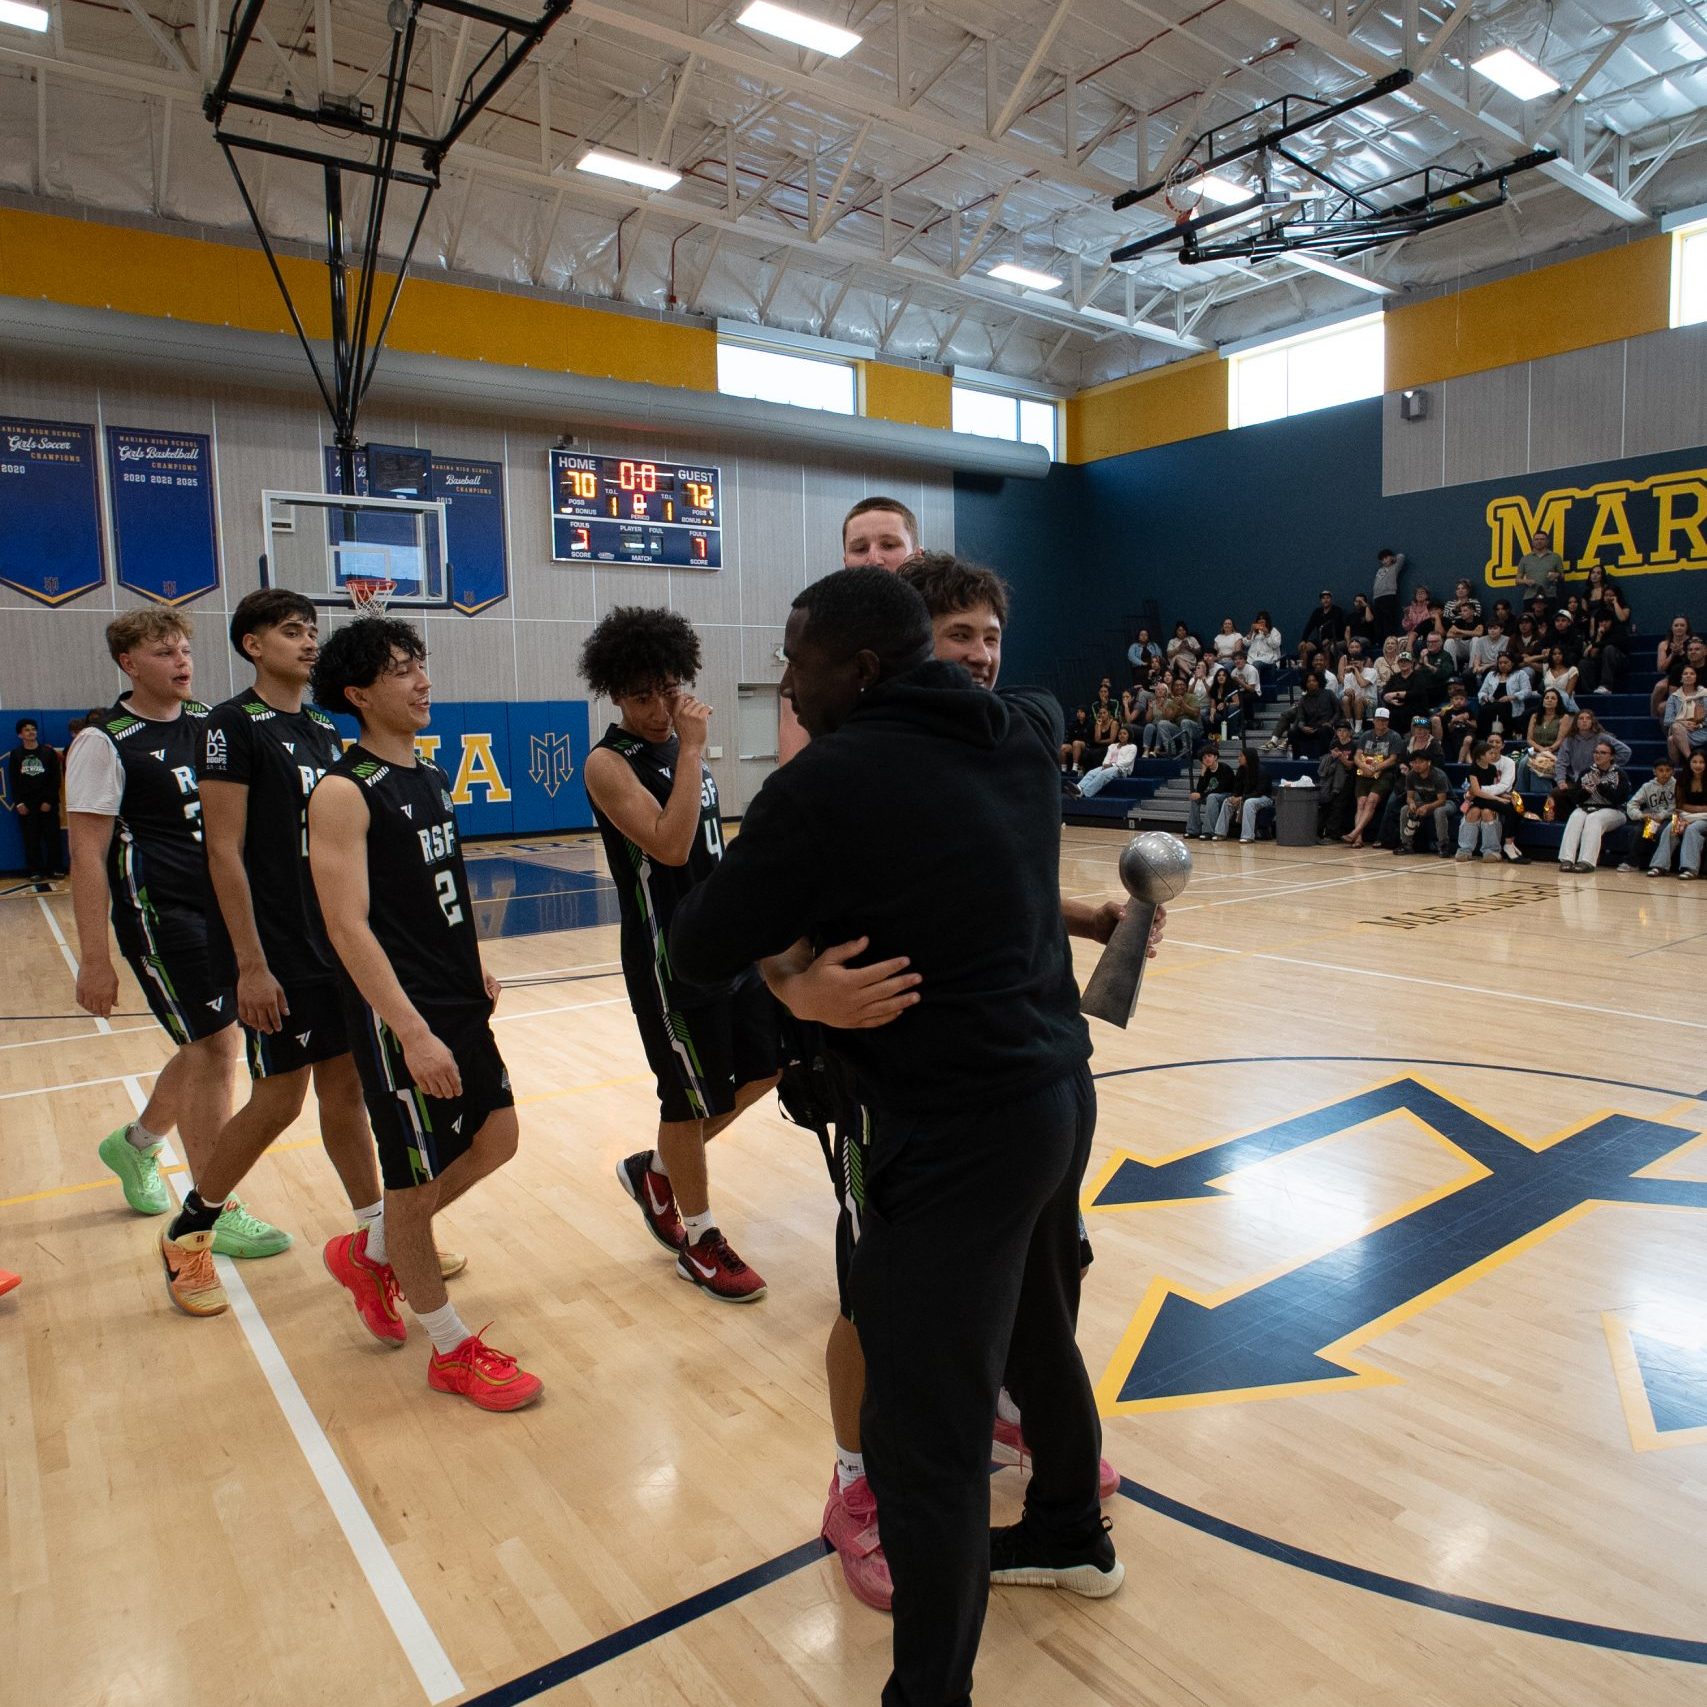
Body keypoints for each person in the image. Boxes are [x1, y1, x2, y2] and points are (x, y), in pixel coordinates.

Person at [671, 567, 1122, 1707]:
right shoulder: (1024, 735)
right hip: (1056, 1099)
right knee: (1038, 1333)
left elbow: (701, 946)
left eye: (800, 661)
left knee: (926, 1439)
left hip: (949, 1134)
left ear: (863, 668)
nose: (788, 682)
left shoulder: (824, 784)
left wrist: (795, 985)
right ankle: (1069, 1527)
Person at [776, 550, 1138, 1614]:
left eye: (989, 634)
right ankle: (857, 1481)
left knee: (1039, 1283)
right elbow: (757, 928)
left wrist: (1083, 916)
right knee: (871, 1296)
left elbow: (991, 878)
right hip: (888, 1095)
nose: (979, 655)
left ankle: (1019, 1443)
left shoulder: (998, 738)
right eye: (956, 636)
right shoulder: (837, 765)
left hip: (1014, 1083)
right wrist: (800, 993)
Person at [158, 590, 419, 1323]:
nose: (309, 642)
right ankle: (189, 1232)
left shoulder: (321, 726)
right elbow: (223, 849)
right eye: (291, 631)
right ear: (252, 644)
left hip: (329, 939)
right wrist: (250, 962)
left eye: (312, 630)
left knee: (345, 1090)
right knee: (279, 1099)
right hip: (274, 948)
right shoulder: (230, 724)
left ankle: (378, 1236)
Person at [306, 617, 540, 1410]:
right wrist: (410, 1030)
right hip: (398, 1015)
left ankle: (370, 1253)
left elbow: (444, 883)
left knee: (497, 1136)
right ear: (358, 693)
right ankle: (448, 1347)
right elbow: (346, 925)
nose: (422, 680)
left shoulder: (431, 775)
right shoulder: (342, 791)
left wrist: (472, 960)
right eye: (402, 669)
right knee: (411, 1183)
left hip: (455, 996)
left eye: (420, 664)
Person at [67, 610, 285, 1256]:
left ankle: (136, 1144)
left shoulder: (211, 726)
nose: (182, 661)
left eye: (185, 649)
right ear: (129, 663)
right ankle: (211, 1208)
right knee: (216, 1045)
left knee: (203, 1044)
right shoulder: (104, 742)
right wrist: (94, 959)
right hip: (161, 916)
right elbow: (86, 856)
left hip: (222, 908)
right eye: (165, 652)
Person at [580, 607, 780, 1303]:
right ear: (615, 695)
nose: (660, 709)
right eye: (642, 696)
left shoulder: (680, 748)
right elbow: (668, 845)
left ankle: (657, 1169)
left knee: (766, 1067)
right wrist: (693, 750)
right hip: (668, 958)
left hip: (726, 943)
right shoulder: (608, 763)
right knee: (689, 1099)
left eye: (668, 690)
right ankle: (699, 1238)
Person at [1556, 741, 1631, 873]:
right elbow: (1576, 799)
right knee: (1575, 816)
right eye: (1596, 752)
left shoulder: (1619, 774)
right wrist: (1586, 792)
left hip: (1614, 810)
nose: (1598, 755)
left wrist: (1600, 786)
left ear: (1611, 756)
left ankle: (1587, 861)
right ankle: (1567, 859)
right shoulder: (1586, 772)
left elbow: (1619, 799)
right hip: (1587, 807)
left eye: (1603, 753)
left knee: (1594, 819)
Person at [7, 717, 62, 882]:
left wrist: (49, 800)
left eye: (33, 729)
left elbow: (55, 778)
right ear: (20, 735)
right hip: (27, 804)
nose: (31, 732)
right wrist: (19, 802)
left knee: (52, 837)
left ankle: (55, 868)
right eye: (27, 730)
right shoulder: (16, 755)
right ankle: (35, 870)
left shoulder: (48, 753)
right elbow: (14, 780)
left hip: (47, 803)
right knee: (31, 839)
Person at [1342, 706, 1404, 847]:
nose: (1382, 723)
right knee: (1361, 802)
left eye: (1384, 720)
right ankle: (1358, 839)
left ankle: (1354, 833)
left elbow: (1393, 759)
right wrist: (1363, 766)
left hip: (1384, 773)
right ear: (1374, 721)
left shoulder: (1394, 736)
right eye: (1379, 720)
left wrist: (1375, 768)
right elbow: (1357, 756)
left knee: (1371, 800)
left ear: (1388, 722)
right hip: (1364, 772)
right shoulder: (1366, 735)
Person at [1456, 735, 1517, 862]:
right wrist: (1497, 798)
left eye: (1497, 742)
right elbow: (1472, 790)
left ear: (1503, 745)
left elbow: (1496, 786)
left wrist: (1501, 796)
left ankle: (1492, 851)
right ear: (1481, 755)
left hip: (1488, 799)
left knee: (1487, 812)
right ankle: (1464, 850)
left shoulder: (1496, 767)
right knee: (1473, 812)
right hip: (1477, 799)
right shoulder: (1473, 768)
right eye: (1490, 751)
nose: (1493, 748)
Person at [1652, 750, 1707, 878]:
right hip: (1684, 816)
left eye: (1701, 762)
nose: (1698, 765)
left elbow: (1686, 806)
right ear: (1689, 763)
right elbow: (1680, 805)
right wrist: (1701, 809)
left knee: (1692, 829)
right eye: (1694, 762)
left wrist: (1693, 809)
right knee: (1670, 829)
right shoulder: (1682, 779)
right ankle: (1659, 866)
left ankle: (1690, 869)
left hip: (1704, 819)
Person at [1621, 758, 1676, 875]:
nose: (1665, 773)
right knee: (1639, 832)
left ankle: (1659, 865)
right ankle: (1632, 863)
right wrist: (1641, 815)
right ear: (1654, 771)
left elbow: (1676, 806)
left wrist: (1661, 816)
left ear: (1673, 772)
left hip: (1672, 818)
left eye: (1668, 770)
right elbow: (1632, 804)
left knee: (1662, 832)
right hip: (1653, 819)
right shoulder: (1647, 786)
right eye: (1661, 770)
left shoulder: (1677, 785)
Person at [1395, 749, 1453, 856]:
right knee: (1405, 809)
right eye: (1414, 762)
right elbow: (1409, 797)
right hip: (1426, 802)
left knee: (1439, 811)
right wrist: (1411, 803)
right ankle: (1406, 844)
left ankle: (1443, 845)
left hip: (1448, 802)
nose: (1417, 765)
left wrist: (1426, 807)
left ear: (1428, 762)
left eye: (1420, 762)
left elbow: (1442, 801)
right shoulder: (1411, 775)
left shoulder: (1439, 776)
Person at [1266, 671, 1336, 758]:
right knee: (1292, 732)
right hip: (1310, 728)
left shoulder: (1329, 693)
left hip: (1325, 727)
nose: (1311, 683)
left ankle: (1324, 757)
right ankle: (1297, 758)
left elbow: (1338, 711)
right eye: (1308, 681)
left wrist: (1330, 723)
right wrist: (1302, 727)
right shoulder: (1303, 699)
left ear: (1319, 682)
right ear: (1305, 684)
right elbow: (1300, 717)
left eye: (1314, 680)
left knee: (1324, 730)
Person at [1516, 689, 1569, 793]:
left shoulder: (1564, 717)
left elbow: (1560, 740)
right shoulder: (1535, 716)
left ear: (1558, 702)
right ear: (1543, 701)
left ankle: (1541, 795)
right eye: (1547, 698)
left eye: (1553, 698)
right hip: (1534, 749)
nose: (1549, 700)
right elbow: (1529, 739)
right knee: (1523, 763)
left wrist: (1548, 750)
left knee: (1538, 766)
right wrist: (1541, 749)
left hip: (1554, 751)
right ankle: (1521, 794)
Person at [1316, 720, 1357, 840]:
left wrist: (1340, 757)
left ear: (1350, 732)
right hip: (1333, 778)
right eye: (1339, 731)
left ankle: (1332, 832)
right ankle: (1322, 830)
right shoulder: (1334, 743)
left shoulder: (1354, 745)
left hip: (1348, 778)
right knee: (1327, 803)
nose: (1342, 733)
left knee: (1338, 805)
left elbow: (1351, 765)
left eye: (1344, 731)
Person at [1185, 743, 1235, 838]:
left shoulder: (1225, 768)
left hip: (1227, 794)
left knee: (1211, 797)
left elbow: (1220, 788)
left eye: (1209, 756)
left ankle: (1209, 831)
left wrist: (1202, 795)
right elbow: (1200, 790)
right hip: (1213, 795)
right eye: (1204, 758)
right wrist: (1202, 774)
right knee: (1195, 798)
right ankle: (1193, 830)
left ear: (1215, 757)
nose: (1207, 759)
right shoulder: (1207, 771)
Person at [1223, 748, 1273, 843]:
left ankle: (1247, 836)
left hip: (1264, 798)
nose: (1238, 758)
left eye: (1241, 756)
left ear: (1248, 757)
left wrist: (1242, 798)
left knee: (1249, 803)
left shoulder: (1262, 771)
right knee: (1227, 801)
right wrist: (1234, 796)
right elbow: (1237, 787)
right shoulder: (1241, 770)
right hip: (1247, 796)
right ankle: (1220, 833)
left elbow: (1259, 792)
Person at [1073, 728, 1137, 799]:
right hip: (1109, 766)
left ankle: (1084, 793)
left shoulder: (1132, 747)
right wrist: (1105, 764)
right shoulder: (1112, 746)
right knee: (1092, 772)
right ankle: (1078, 788)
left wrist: (1112, 765)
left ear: (1129, 735)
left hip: (1121, 769)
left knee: (1102, 774)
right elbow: (1107, 758)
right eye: (1120, 734)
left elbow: (1127, 761)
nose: (1122, 735)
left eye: (1124, 734)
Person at [1663, 664, 1707, 766]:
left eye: (1692, 674)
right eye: (1685, 674)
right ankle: (1689, 761)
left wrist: (1698, 725)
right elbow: (1667, 720)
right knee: (1673, 733)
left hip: (1702, 731)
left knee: (1672, 738)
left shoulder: (1704, 695)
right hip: (1682, 732)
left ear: (1696, 677)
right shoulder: (1674, 697)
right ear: (1681, 678)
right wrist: (1683, 723)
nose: (1688, 676)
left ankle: (1688, 765)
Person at [1297, 590, 1346, 677]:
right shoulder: (1317, 612)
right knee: (1303, 647)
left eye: (1328, 598)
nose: (1325, 600)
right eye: (1323, 598)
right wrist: (1303, 640)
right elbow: (1309, 626)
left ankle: (1326, 674)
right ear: (1321, 601)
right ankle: (1303, 672)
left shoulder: (1337, 611)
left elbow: (1339, 628)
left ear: (1331, 599)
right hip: (1320, 640)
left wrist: (1329, 638)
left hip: (1334, 639)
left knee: (1326, 647)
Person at [1442, 579, 1484, 668]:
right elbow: (1446, 618)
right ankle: (1452, 670)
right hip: (1457, 636)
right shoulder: (1450, 603)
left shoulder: (1474, 602)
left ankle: (1471, 669)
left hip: (1468, 636)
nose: (1460, 590)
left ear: (1468, 590)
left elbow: (1475, 616)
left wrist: (1459, 631)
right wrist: (1455, 608)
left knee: (1476, 639)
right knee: (1448, 641)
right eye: (1458, 588)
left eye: (1463, 588)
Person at [1515, 530, 1564, 601]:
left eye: (1542, 539)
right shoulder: (1525, 559)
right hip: (1530, 596)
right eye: (1536, 539)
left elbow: (1562, 576)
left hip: (1549, 595)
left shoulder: (1555, 557)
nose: (1539, 541)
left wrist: (1557, 575)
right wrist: (1526, 581)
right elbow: (1517, 580)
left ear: (1547, 541)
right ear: (1532, 542)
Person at [1372, 547, 1404, 640]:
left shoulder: (1394, 567)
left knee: (1388, 619)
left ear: (1391, 557)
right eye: (1382, 559)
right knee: (1379, 621)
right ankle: (1380, 641)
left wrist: (1393, 559)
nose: (1384, 561)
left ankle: (1390, 640)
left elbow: (1401, 556)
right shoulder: (1380, 570)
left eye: (1386, 558)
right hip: (1377, 597)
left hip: (1388, 595)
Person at [1244, 611, 1284, 683]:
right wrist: (1251, 631)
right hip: (1252, 657)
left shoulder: (1273, 631)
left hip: (1268, 659)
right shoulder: (1255, 632)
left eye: (1263, 621)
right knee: (1240, 664)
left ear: (1267, 621)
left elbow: (1275, 645)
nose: (1260, 622)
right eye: (1259, 620)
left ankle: (1254, 686)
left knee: (1256, 664)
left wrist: (1267, 634)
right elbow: (1246, 643)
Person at [1060, 707, 1091, 773]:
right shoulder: (1073, 724)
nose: (1079, 714)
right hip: (1074, 746)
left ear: (1086, 713)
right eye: (1078, 712)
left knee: (1076, 743)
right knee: (1063, 747)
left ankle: (1074, 769)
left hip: (1087, 746)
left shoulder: (1090, 724)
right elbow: (1069, 738)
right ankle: (1063, 770)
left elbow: (1091, 739)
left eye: (1081, 712)